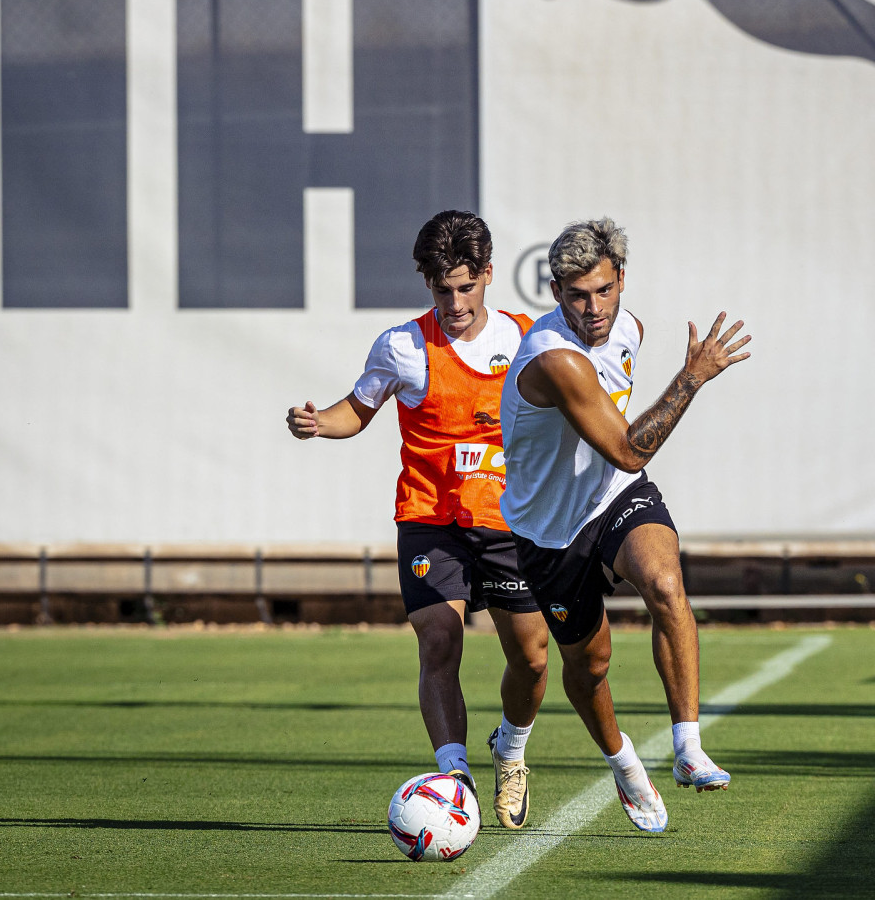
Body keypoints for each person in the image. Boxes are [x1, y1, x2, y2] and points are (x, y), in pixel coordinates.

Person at [286, 210, 549, 830]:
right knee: (439, 639)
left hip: (509, 520)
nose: (454, 304)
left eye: (465, 287)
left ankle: (510, 750)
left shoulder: (527, 339)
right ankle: (454, 779)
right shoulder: (401, 346)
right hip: (430, 516)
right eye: (441, 289)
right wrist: (319, 422)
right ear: (426, 283)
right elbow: (357, 409)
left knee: (533, 658)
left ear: (488, 275)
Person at [499, 217, 749, 834]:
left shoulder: (629, 328)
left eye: (604, 291)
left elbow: (623, 463)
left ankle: (688, 748)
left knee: (665, 583)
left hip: (614, 495)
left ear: (621, 281)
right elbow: (631, 449)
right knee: (590, 667)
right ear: (555, 294)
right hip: (550, 531)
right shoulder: (555, 358)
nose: (594, 309)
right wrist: (692, 377)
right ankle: (624, 763)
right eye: (578, 296)